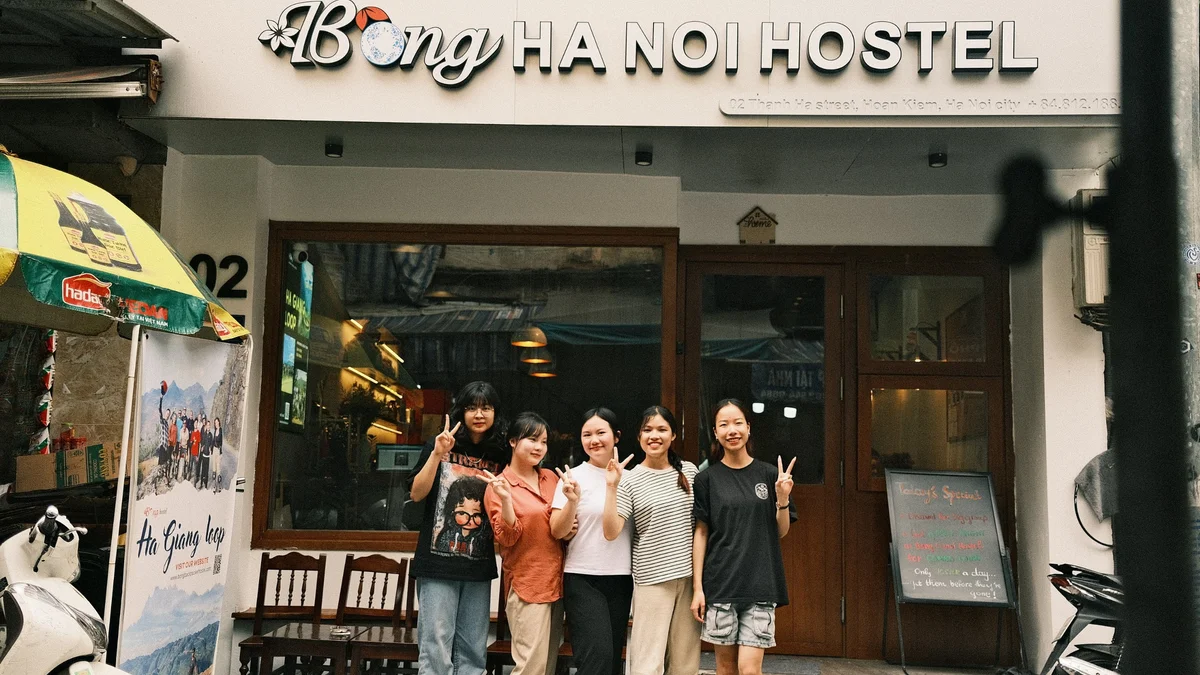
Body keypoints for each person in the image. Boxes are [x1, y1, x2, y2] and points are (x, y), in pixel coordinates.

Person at [406, 381, 508, 675]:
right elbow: (416, 493)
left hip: (478, 566)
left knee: (473, 652)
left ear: (495, 413)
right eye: (471, 407)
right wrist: (437, 454)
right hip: (437, 564)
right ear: (461, 411)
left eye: (486, 407)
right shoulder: (440, 444)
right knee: (436, 648)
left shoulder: (500, 454)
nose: (479, 414)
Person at [690, 399, 797, 675]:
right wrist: (698, 588)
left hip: (760, 585)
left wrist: (782, 499)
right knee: (725, 668)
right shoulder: (706, 479)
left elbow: (781, 531)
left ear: (748, 428)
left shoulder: (769, 475)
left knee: (750, 669)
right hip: (721, 585)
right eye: (723, 425)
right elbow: (701, 533)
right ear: (715, 432)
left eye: (738, 423)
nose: (732, 430)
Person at [602, 405, 700, 675]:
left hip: (689, 580)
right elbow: (611, 531)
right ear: (639, 436)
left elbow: (703, 526)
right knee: (648, 662)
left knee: (685, 664)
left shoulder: (689, 472)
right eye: (647, 430)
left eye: (662, 429)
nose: (654, 436)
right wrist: (611, 486)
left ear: (673, 435)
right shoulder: (630, 479)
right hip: (652, 580)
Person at [550, 407, 633, 675]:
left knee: (612, 661)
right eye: (587, 434)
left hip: (621, 578)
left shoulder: (631, 478)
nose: (594, 440)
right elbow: (557, 530)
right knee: (595, 659)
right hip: (582, 577)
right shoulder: (572, 477)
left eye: (601, 433)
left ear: (616, 436)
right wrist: (572, 502)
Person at [483, 412, 565, 675]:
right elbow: (506, 538)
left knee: (548, 667)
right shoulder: (498, 485)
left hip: (558, 583)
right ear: (512, 441)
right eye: (532, 439)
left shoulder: (551, 478)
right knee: (530, 667)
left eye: (544, 441)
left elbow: (561, 525)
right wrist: (507, 501)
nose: (539, 447)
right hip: (527, 585)